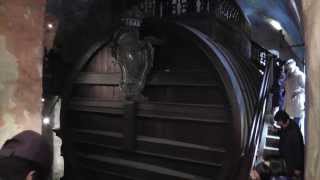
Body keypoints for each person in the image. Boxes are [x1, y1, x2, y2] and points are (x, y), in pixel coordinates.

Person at [274, 110, 304, 179]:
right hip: (285, 160)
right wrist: (278, 132)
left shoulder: (294, 133)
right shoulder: (288, 124)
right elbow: (284, 132)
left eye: (278, 122)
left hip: (291, 165)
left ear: (282, 121)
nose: (277, 123)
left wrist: (298, 168)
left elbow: (298, 150)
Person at [283, 59, 305, 128]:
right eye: (287, 68)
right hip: (289, 105)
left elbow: (306, 88)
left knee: (296, 126)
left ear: (294, 66)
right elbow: (286, 90)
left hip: (297, 105)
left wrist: (297, 91)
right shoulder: (288, 76)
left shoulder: (300, 75)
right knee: (289, 126)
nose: (289, 70)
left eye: (290, 68)